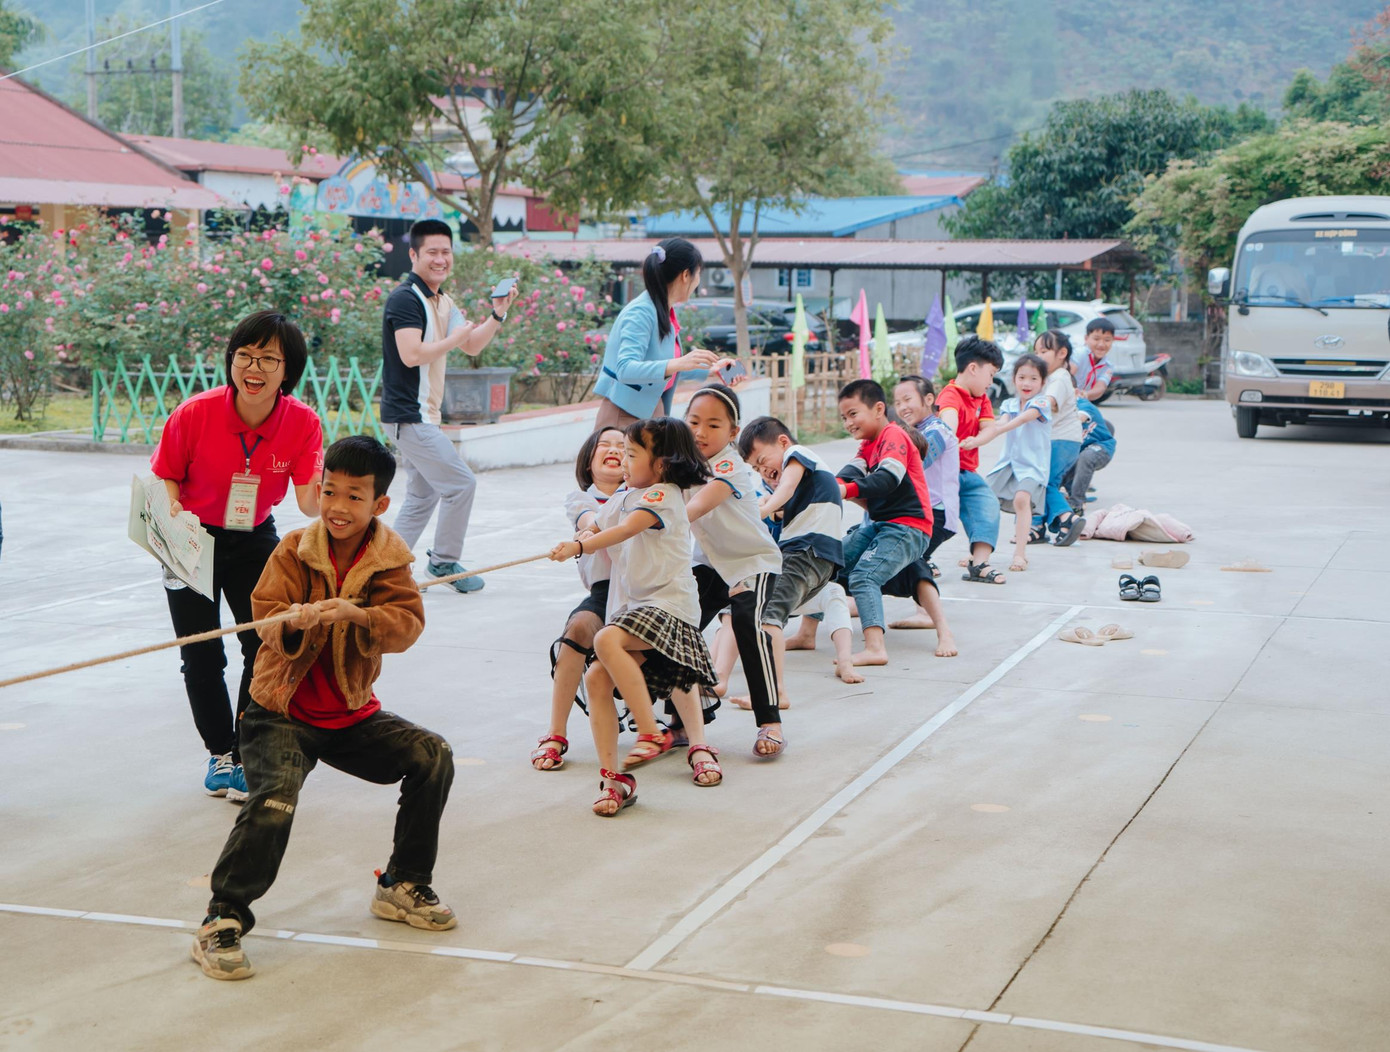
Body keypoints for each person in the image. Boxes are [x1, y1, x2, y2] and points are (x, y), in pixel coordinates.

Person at [191, 436, 453, 981]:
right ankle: (222, 918)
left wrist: (357, 617)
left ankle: (401, 884)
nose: (337, 506)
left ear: (379, 504)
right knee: (273, 803)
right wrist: (293, 620)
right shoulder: (291, 548)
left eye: (354, 496)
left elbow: (407, 626)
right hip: (279, 713)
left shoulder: (391, 560)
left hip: (352, 714)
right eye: (328, 491)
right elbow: (262, 615)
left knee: (432, 755)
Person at [151, 310, 324, 802]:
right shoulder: (194, 413)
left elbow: (309, 499)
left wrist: (333, 503)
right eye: (245, 355)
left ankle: (249, 753)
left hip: (252, 538)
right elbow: (167, 473)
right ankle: (220, 754)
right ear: (231, 361)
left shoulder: (303, 423)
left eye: (269, 358)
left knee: (265, 645)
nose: (254, 367)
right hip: (190, 538)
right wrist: (175, 518)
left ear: (287, 371)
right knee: (201, 654)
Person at [549, 418, 721, 815]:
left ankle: (648, 730)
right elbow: (600, 524)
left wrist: (579, 546)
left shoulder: (663, 495)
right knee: (595, 677)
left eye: (630, 454)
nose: (622, 461)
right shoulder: (622, 498)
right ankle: (615, 780)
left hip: (669, 607)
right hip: (639, 610)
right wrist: (574, 541)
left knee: (606, 639)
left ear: (660, 464)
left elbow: (625, 530)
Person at [380, 218, 521, 593]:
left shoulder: (441, 300)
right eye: (432, 252)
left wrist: (497, 314)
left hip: (423, 415)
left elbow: (471, 344)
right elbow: (411, 355)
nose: (440, 259)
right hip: (410, 415)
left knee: (422, 495)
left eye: (446, 252)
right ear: (414, 254)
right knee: (461, 484)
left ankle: (383, 569)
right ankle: (442, 562)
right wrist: (454, 337)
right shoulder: (405, 299)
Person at [683, 387, 785, 759]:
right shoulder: (680, 465)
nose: (700, 432)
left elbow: (696, 505)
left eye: (713, 424)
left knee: (745, 621)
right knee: (679, 622)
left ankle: (770, 721)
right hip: (709, 564)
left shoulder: (729, 465)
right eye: (694, 422)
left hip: (750, 562)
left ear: (731, 432)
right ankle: (680, 723)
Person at [739, 414, 862, 694]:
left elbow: (786, 488)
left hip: (805, 551)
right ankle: (776, 686)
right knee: (769, 607)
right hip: (821, 559)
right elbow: (783, 503)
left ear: (782, 442)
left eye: (761, 461)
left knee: (769, 614)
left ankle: (773, 692)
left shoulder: (797, 453)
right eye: (755, 469)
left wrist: (765, 508)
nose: (762, 471)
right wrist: (769, 503)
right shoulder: (804, 482)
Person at [533, 427, 627, 772]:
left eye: (624, 446)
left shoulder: (644, 494)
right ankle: (556, 733)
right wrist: (588, 531)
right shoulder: (581, 499)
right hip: (605, 591)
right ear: (589, 462)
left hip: (644, 590)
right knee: (578, 627)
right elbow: (590, 520)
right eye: (606, 445)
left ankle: (685, 734)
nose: (615, 449)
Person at [835, 379, 934, 667]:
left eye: (853, 414)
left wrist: (844, 490)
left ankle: (876, 647)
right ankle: (806, 633)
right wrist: (821, 486)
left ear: (879, 409)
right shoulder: (868, 445)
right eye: (844, 417)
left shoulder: (894, 435)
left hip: (909, 526)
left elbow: (887, 479)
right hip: (884, 525)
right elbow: (845, 476)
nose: (848, 423)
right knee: (829, 563)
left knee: (864, 576)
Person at [591, 237, 727, 429]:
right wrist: (679, 363)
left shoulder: (662, 310)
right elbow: (625, 368)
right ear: (686, 275)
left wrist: (710, 369)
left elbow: (664, 367)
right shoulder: (642, 311)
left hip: (648, 414)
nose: (698, 281)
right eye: (698, 274)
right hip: (624, 417)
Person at [937, 335, 1006, 585]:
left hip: (967, 471)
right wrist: (952, 434)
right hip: (944, 473)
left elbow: (989, 427)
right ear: (974, 368)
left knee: (987, 506)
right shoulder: (951, 394)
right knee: (938, 517)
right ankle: (918, 560)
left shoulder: (982, 399)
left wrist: (977, 440)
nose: (991, 381)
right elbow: (948, 418)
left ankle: (979, 565)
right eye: (991, 373)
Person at [891, 375, 961, 620]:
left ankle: (926, 613)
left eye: (907, 399)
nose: (902, 407)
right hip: (922, 511)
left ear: (929, 399)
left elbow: (919, 462)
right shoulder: (915, 431)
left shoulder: (937, 431)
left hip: (937, 512)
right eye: (898, 402)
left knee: (914, 557)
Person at [984, 354, 1053, 573]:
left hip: (1032, 467)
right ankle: (979, 552)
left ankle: (1020, 554)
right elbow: (1001, 421)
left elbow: (1024, 419)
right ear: (1014, 379)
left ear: (1042, 383)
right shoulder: (1009, 404)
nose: (1026, 383)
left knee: (1022, 499)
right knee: (982, 500)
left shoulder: (1042, 402)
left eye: (1033, 378)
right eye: (1022, 377)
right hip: (1007, 464)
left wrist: (997, 429)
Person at [1032, 330, 1086, 546]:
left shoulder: (1059, 377)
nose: (1038, 356)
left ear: (1062, 353)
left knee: (1044, 485)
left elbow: (1049, 403)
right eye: (1035, 351)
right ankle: (1051, 526)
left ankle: (1068, 518)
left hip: (1060, 441)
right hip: (1065, 440)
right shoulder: (1053, 377)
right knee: (1046, 483)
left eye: (1043, 351)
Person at [1065, 396, 1117, 512]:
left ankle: (1077, 502)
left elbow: (1081, 417)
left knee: (1086, 456)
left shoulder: (1083, 404)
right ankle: (1067, 494)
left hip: (1102, 447)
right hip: (1077, 454)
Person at [1075, 317, 1116, 402]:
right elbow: (1067, 375)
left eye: (1107, 340)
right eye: (1096, 339)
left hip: (1080, 400)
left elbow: (1101, 387)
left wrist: (1086, 394)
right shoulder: (1079, 353)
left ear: (1113, 341)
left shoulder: (1108, 366)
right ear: (1086, 339)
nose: (1101, 344)